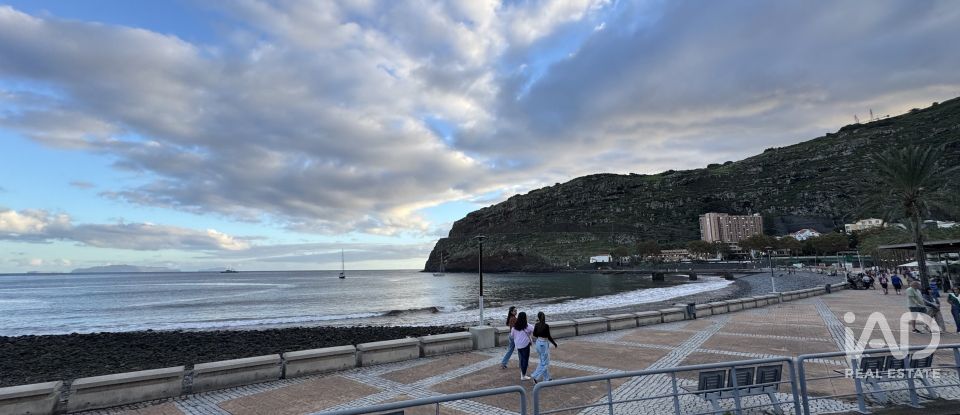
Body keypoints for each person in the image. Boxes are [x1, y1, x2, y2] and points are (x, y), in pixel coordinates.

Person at [531, 311, 559, 383]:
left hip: (538, 343)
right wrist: (554, 343)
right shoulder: (546, 326)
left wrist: (539, 333)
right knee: (545, 363)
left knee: (542, 361)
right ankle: (535, 376)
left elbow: (534, 334)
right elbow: (548, 336)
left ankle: (547, 378)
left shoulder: (537, 325)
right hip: (544, 343)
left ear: (538, 317)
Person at [510, 311, 535, 381]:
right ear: (525, 318)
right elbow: (533, 330)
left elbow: (512, 335)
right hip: (525, 345)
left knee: (521, 359)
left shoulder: (514, 327)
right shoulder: (528, 326)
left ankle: (522, 374)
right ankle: (523, 375)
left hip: (518, 345)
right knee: (525, 360)